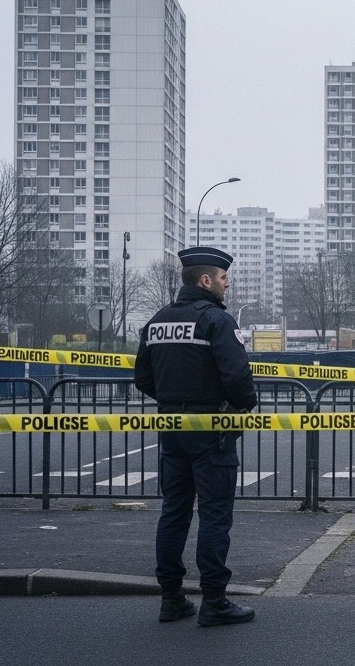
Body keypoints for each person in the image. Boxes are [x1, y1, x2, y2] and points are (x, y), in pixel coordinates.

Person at [135, 246, 259, 626]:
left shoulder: (157, 321)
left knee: (174, 511)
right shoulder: (216, 321)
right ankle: (215, 600)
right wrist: (240, 407)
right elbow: (237, 378)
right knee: (215, 513)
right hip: (211, 429)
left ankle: (171, 598)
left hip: (171, 428)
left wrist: (175, 402)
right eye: (224, 279)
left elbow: (143, 379)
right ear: (206, 281)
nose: (227, 285)